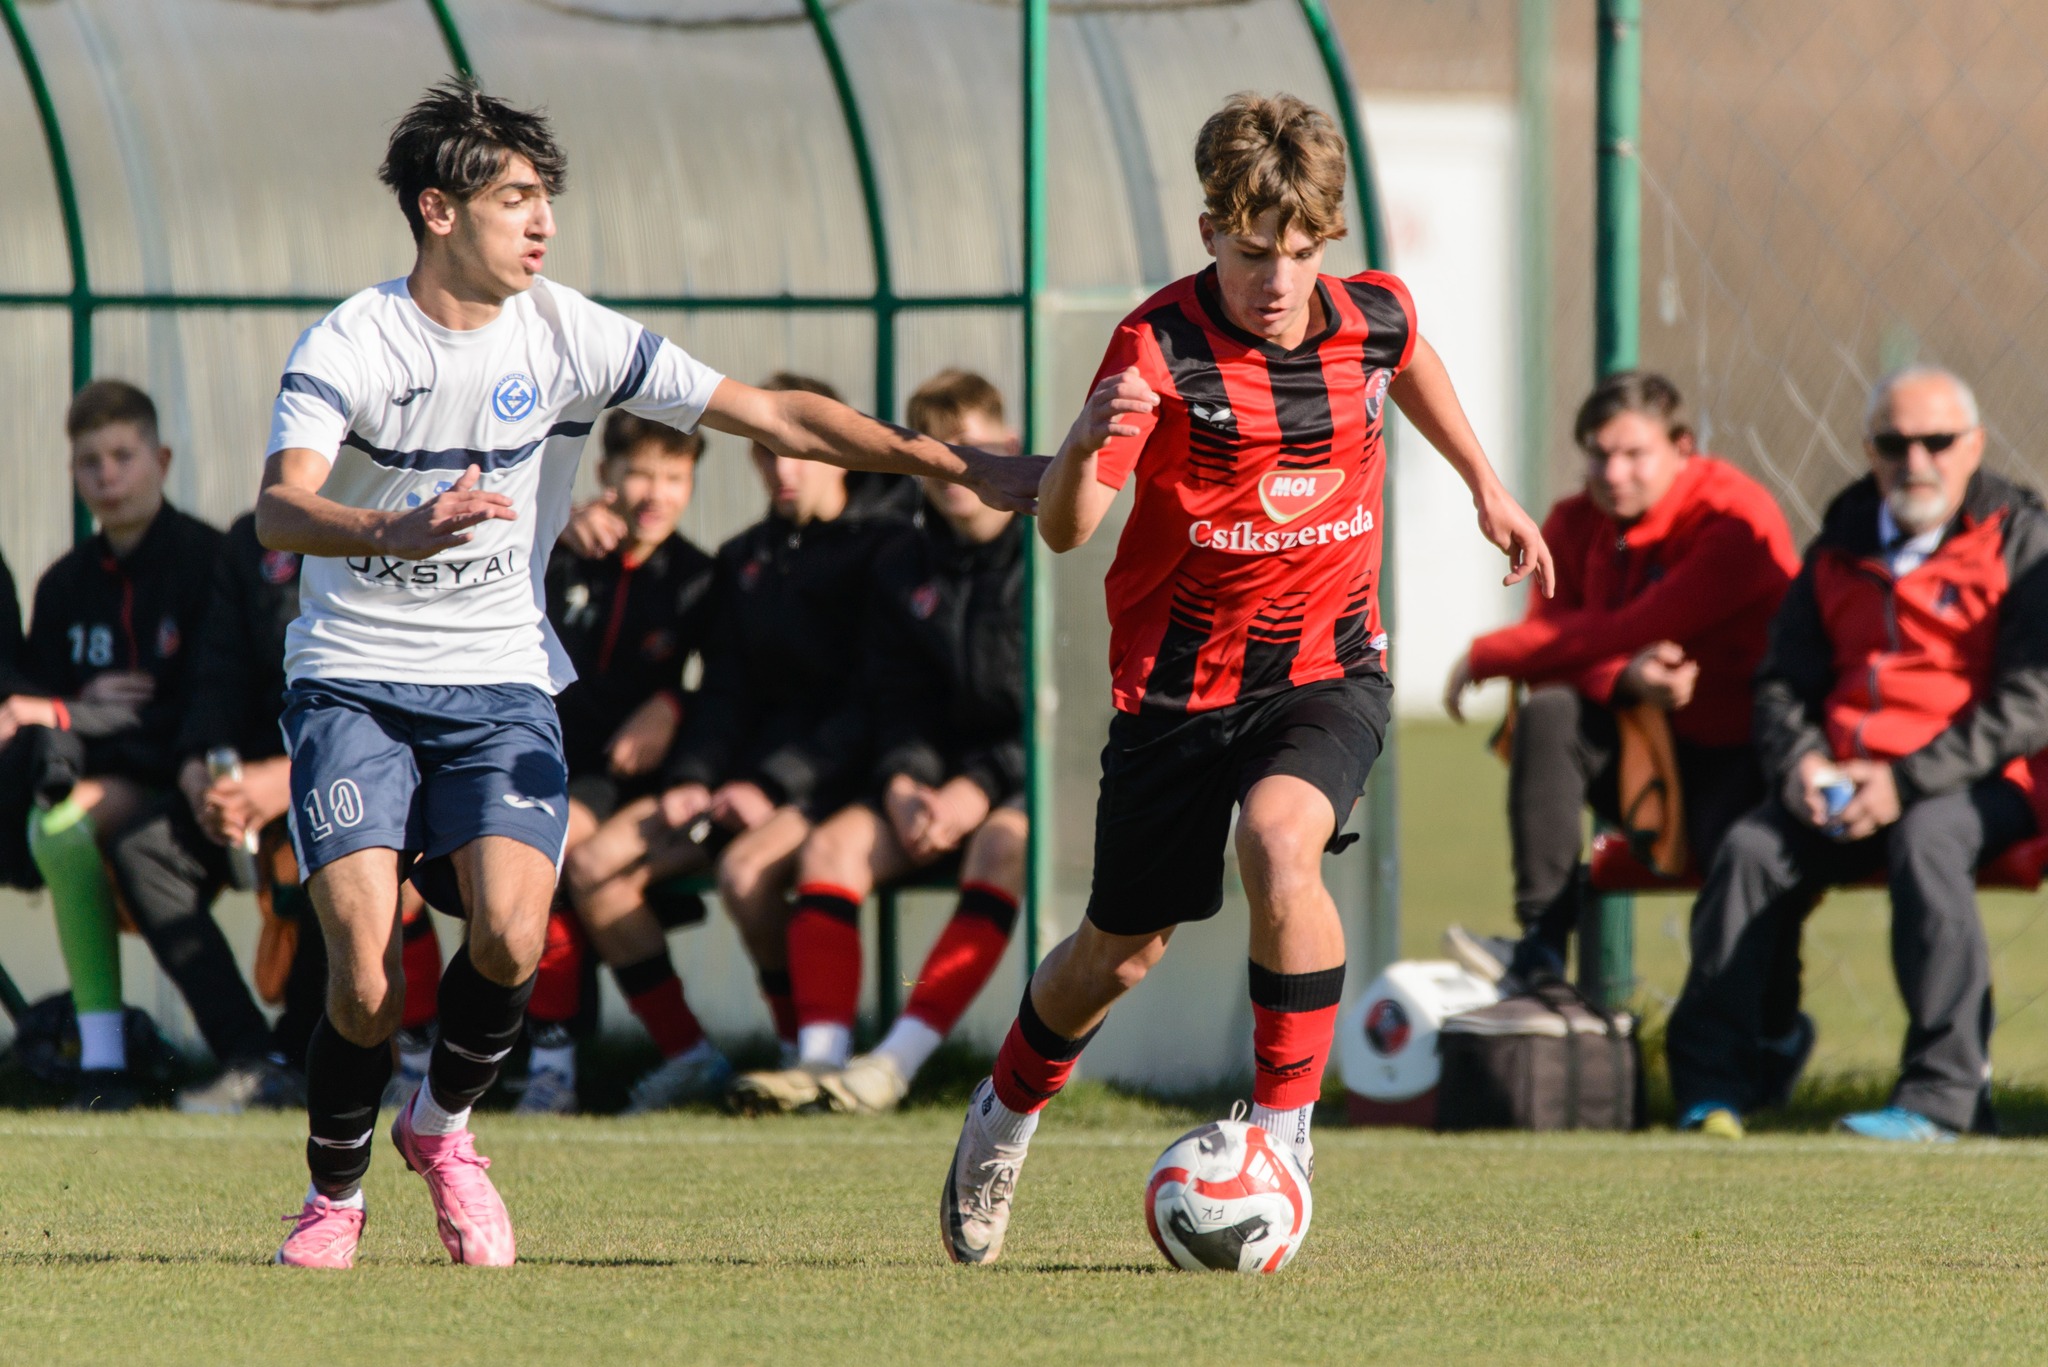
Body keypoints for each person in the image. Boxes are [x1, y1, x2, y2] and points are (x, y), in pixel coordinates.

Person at [259, 78, 1042, 1271]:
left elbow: (770, 412)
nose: (543, 222)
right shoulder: (353, 341)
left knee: (514, 939)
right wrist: (389, 533)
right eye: (514, 197)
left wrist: (951, 460)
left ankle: (444, 1131)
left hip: (499, 679)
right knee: (364, 975)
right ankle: (332, 1195)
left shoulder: (568, 330)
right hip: (352, 679)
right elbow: (280, 504)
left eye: (546, 198)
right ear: (435, 209)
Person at [938, 92, 1552, 1265]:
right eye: (1250, 249)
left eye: (1299, 250)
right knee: (1117, 952)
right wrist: (1078, 445)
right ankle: (1006, 1110)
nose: (1276, 277)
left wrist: (1483, 480)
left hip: (1327, 667)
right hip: (1175, 693)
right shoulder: (1154, 348)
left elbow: (1408, 354)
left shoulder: (1368, 313)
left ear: (1325, 238)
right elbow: (1068, 531)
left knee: (1280, 842)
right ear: (1212, 226)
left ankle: (1282, 1133)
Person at [1667, 367, 2048, 1144]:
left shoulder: (2022, 541)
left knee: (1929, 839)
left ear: (1973, 447)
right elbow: (1780, 684)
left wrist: (1905, 783)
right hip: (1841, 780)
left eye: (1938, 441)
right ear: (1869, 451)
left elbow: (2031, 701)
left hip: (1978, 782)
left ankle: (1944, 1097)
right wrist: (1803, 765)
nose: (1917, 460)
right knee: (1748, 850)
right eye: (1894, 442)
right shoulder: (1838, 542)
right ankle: (1714, 1090)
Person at [562, 373, 909, 1114]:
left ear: (842, 453)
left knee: (748, 873)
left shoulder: (882, 550)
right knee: (591, 864)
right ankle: (692, 1059)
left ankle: (804, 1059)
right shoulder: (745, 557)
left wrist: (775, 783)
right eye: (767, 454)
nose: (783, 469)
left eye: (802, 453)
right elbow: (723, 689)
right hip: (735, 782)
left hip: (835, 782)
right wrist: (693, 774)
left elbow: (873, 700)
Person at [728, 368, 1027, 1116]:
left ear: (1012, 448)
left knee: (1003, 846)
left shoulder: (1048, 554)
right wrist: (902, 781)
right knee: (830, 849)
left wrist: (980, 785)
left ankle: (892, 1065)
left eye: (978, 449)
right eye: (941, 453)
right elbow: (894, 697)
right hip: (929, 784)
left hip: (1026, 783)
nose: (961, 470)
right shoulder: (903, 564)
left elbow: (1055, 709)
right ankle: (821, 1063)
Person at [1440, 372, 1798, 985]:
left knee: (1744, 875)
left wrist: (1487, 654)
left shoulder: (1735, 518)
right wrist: (1624, 679)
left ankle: (1768, 1035)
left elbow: (1639, 623)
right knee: (1550, 712)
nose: (1613, 473)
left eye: (1635, 455)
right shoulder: (1575, 523)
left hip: (1744, 750)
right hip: (1642, 745)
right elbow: (1566, 647)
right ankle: (1540, 953)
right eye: (1600, 455)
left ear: (1683, 448)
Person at [0, 380, 224, 1110]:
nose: (108, 474)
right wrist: (76, 709)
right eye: (90, 460)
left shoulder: (208, 563)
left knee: (67, 824)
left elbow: (202, 707)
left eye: (123, 455)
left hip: (199, 782)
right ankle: (103, 1067)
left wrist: (68, 713)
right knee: (56, 824)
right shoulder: (62, 584)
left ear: (160, 457)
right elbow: (36, 716)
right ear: (73, 473)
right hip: (101, 784)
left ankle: (262, 1053)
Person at [517, 410, 716, 1115]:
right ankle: (443, 1057)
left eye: (673, 476)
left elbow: (728, 686)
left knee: (551, 855)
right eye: (638, 473)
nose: (653, 493)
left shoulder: (698, 578)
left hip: (633, 786)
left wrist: (674, 703)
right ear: (604, 476)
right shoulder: (558, 550)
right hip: (534, 761)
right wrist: (550, 523)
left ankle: (553, 1067)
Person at [110, 509, 312, 1114]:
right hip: (243, 784)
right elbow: (217, 668)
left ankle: (309, 1059)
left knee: (343, 837)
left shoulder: (393, 528)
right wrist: (198, 764)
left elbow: (394, 690)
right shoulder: (252, 538)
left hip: (347, 775)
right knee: (143, 849)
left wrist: (297, 777)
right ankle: (252, 1059)